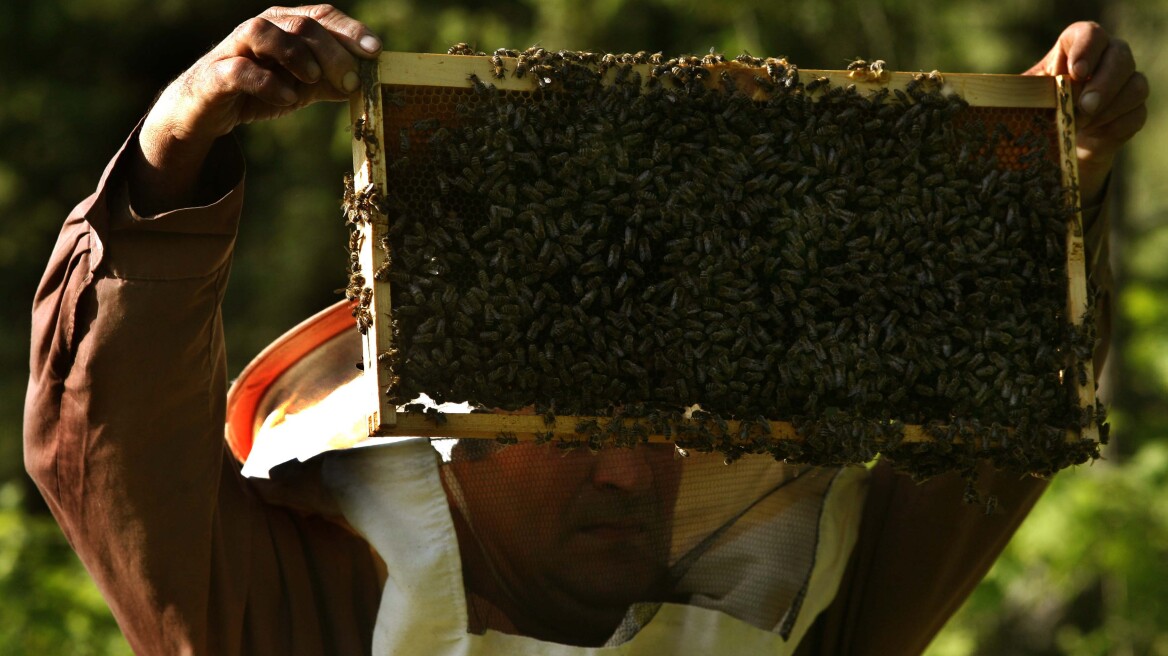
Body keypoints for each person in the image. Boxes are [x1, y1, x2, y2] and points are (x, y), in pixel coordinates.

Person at [24, 4, 1147, 654]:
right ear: (453, 429)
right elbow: (120, 460)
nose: (630, 468)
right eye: (568, 422)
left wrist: (1051, 181)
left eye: (660, 420)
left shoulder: (809, 601)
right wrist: (174, 161)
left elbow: (992, 425)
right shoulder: (297, 600)